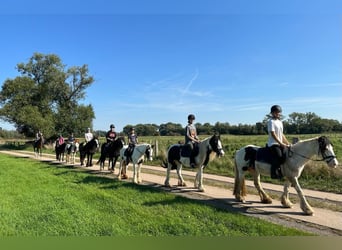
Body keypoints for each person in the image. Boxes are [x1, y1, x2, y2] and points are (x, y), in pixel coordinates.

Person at [267, 105, 290, 179]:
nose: (278, 114)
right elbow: (273, 134)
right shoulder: (271, 122)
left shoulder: (280, 122)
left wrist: (287, 143)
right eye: (276, 112)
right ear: (272, 113)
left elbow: (281, 134)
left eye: (279, 112)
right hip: (273, 144)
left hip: (280, 143)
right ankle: (274, 173)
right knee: (279, 156)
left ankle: (285, 172)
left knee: (287, 155)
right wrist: (281, 143)